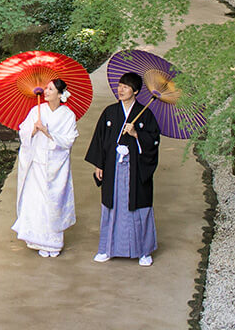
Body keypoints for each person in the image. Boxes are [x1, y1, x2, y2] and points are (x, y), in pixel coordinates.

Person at [85, 71, 161, 266]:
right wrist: (99, 164)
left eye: (126, 87)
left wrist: (137, 134)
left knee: (138, 206)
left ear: (135, 91)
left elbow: (153, 142)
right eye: (120, 86)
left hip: (136, 169)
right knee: (112, 205)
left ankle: (144, 251)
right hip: (113, 168)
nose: (121, 89)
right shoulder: (110, 113)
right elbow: (100, 140)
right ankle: (107, 248)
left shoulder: (146, 114)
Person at [11, 78, 78, 257]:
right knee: (37, 201)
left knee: (55, 200)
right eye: (46, 89)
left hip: (57, 164)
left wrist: (48, 132)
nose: (46, 92)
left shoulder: (68, 115)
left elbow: (69, 140)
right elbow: (23, 132)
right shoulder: (37, 110)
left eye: (50, 89)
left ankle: (54, 243)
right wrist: (34, 130)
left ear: (60, 94)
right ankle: (37, 240)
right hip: (37, 162)